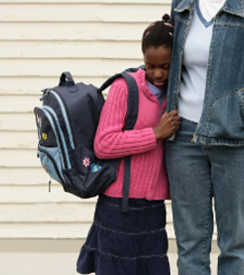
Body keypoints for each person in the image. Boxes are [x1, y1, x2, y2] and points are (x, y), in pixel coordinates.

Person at [165, 0, 244, 274]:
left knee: (235, 246)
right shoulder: (181, 5)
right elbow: (164, 58)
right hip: (184, 137)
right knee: (190, 247)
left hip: (239, 140)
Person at [76, 15, 180, 275]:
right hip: (118, 207)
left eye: (165, 66)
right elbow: (104, 144)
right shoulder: (126, 88)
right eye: (150, 65)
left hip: (153, 208)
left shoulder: (178, 92)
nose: (157, 73)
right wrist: (154, 133)